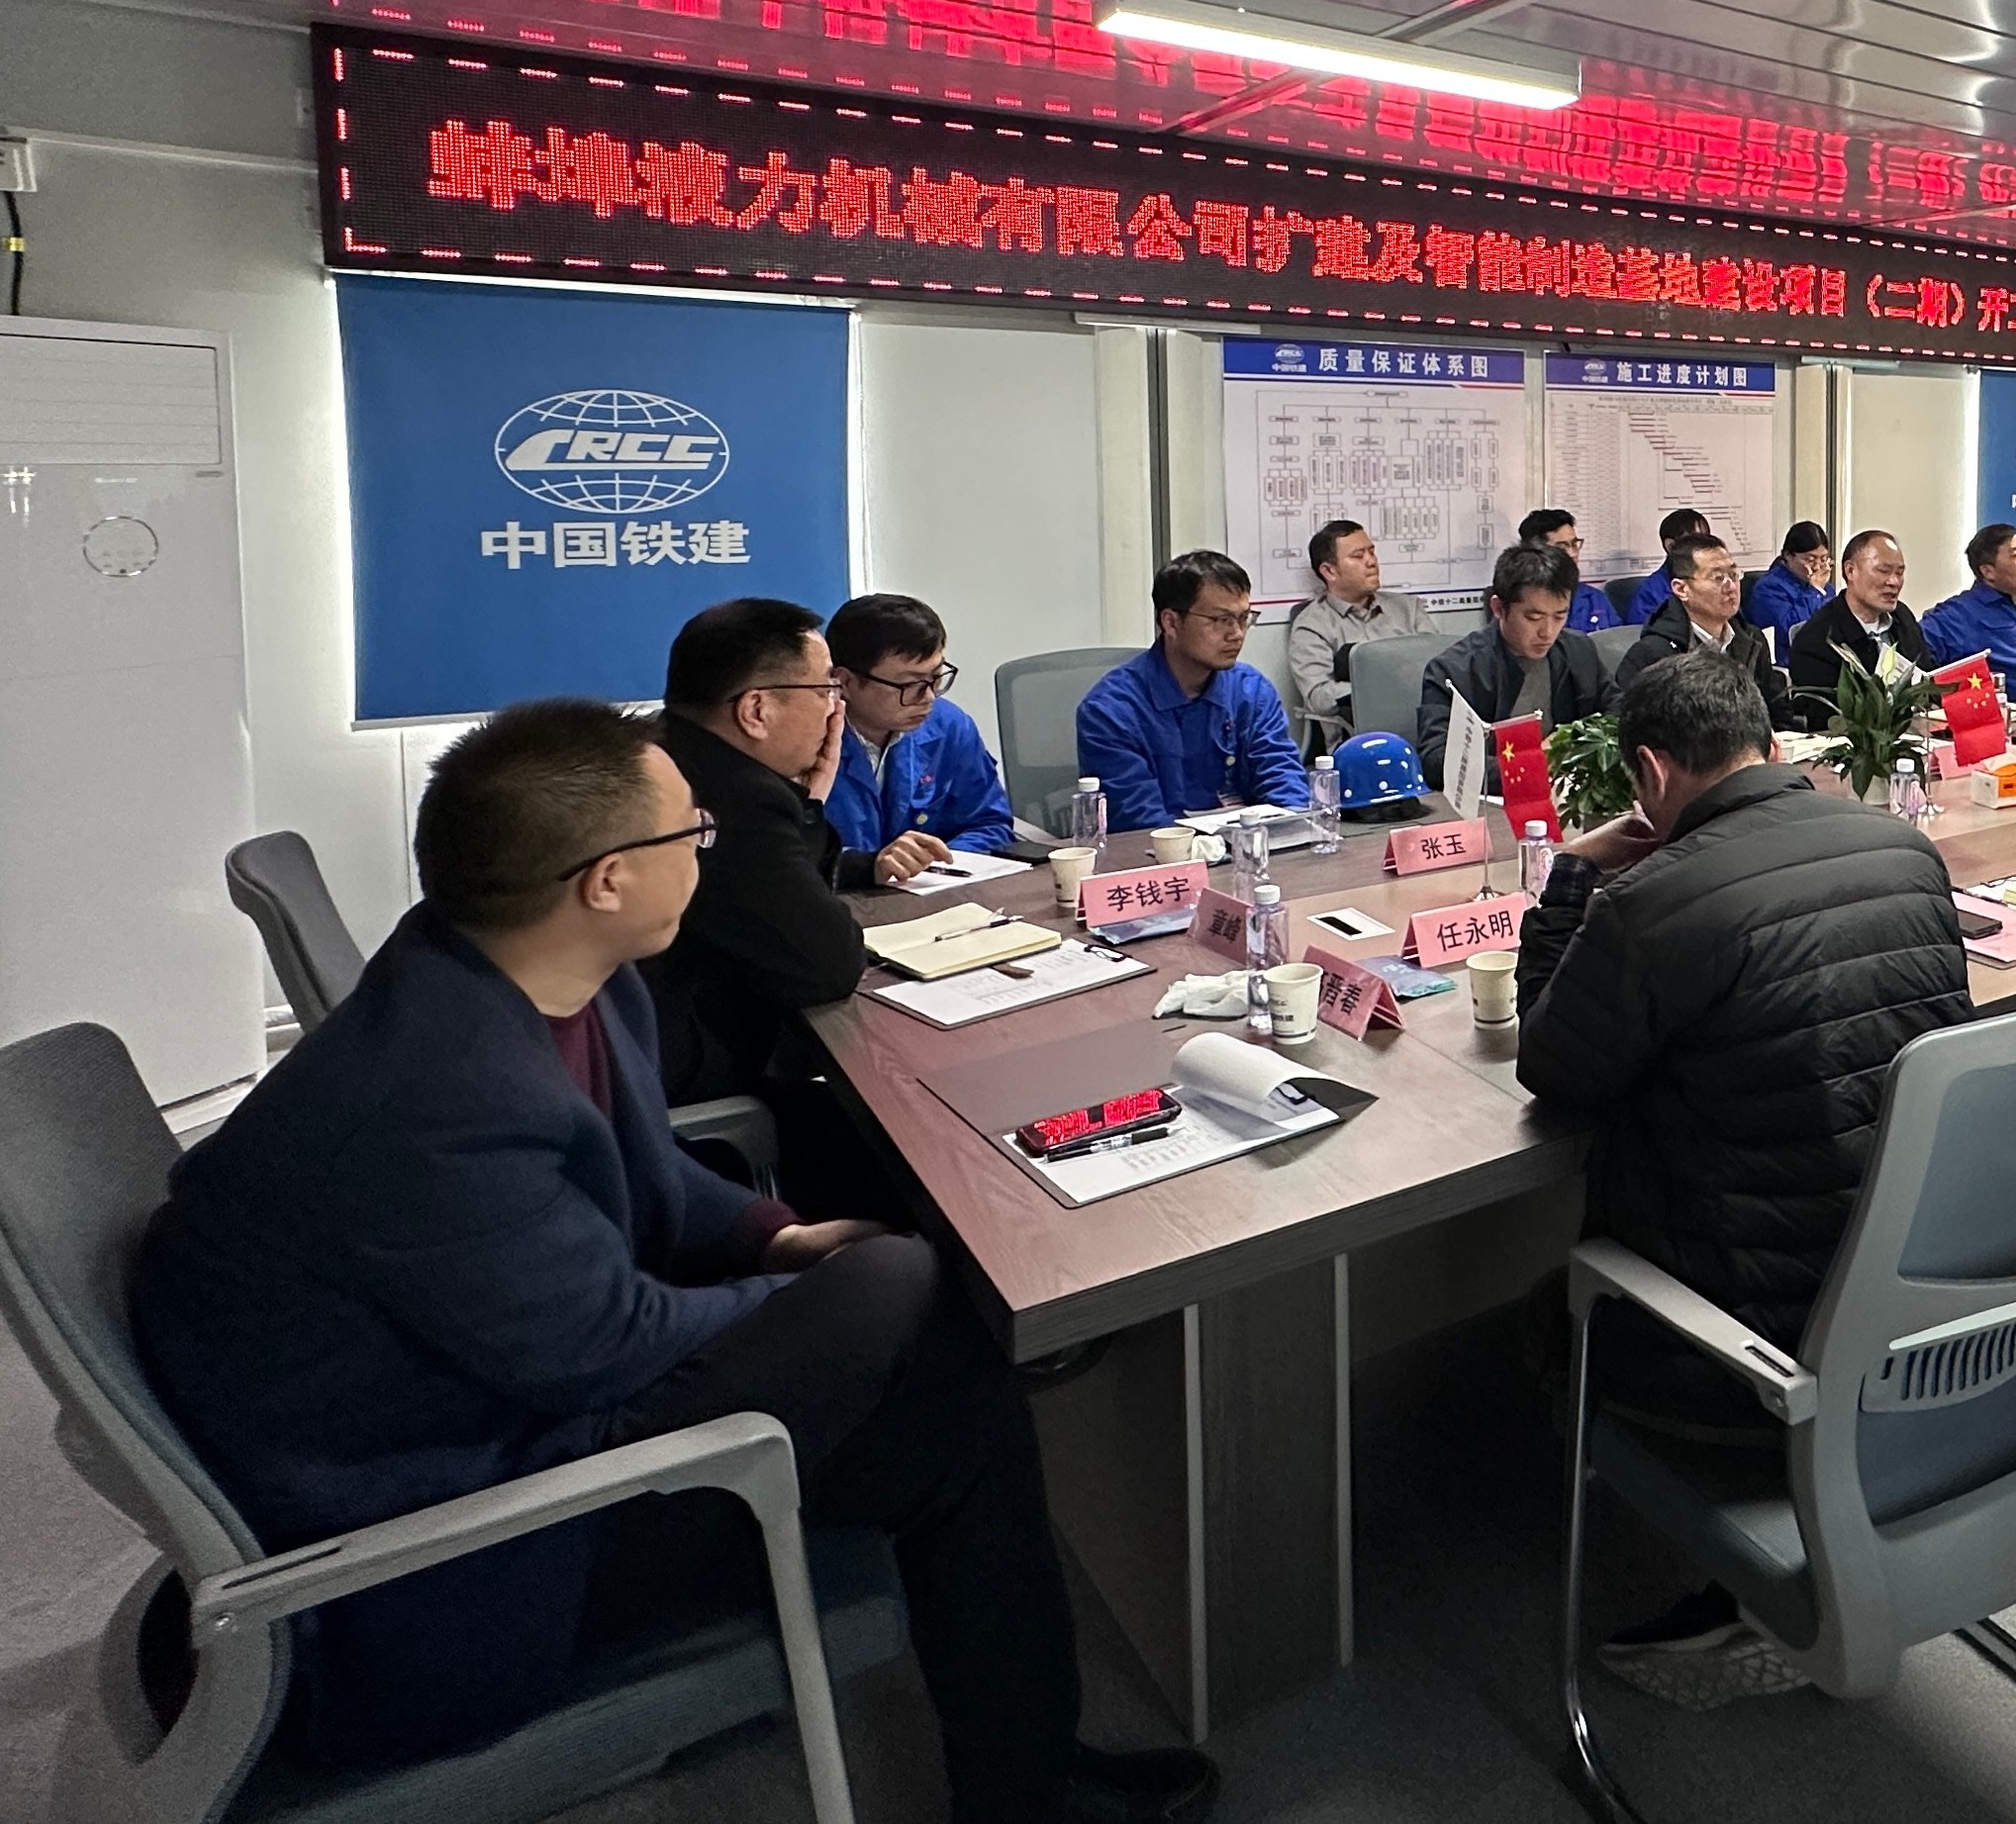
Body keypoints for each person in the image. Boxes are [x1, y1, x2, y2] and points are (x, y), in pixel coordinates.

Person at [130, 701, 1214, 1822]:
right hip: (453, 1539)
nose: (708, 847)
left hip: (501, 1399)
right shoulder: (434, 1095)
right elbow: (600, 1349)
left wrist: (772, 1236)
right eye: (692, 832)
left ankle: (1025, 1784)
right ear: (606, 880)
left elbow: (646, 1173)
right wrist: (817, 1296)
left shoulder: (543, 969)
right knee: (902, 1283)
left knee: (952, 1397)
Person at [1513, 655, 1971, 1699]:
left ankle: (1743, 1569)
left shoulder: (1652, 902)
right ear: (1766, 745)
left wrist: (1574, 878)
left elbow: (1554, 1066)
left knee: (1547, 1312)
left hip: (1751, 1351)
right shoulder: (1904, 848)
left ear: (1649, 772)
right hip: (1921, 1302)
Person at [645, 599, 916, 1114]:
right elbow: (827, 966)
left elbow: (756, 886)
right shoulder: (736, 798)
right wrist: (808, 807)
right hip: (694, 1085)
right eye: (825, 690)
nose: (835, 709)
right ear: (756, 711)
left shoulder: (667, 752)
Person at [1078, 550, 1312, 831]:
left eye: (1243, 618)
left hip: (1248, 845)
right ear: (1171, 622)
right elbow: (1137, 819)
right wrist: (1209, 847)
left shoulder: (1252, 691)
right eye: (1221, 620)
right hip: (1163, 852)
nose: (1237, 634)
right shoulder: (1110, 710)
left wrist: (1290, 827)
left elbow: (1283, 777)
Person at [825, 592, 1017, 857]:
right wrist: (867, 867)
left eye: (936, 678)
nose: (928, 697)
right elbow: (790, 855)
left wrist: (934, 862)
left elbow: (989, 824)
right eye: (910, 684)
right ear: (844, 682)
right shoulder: (803, 743)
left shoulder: (948, 726)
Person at [1416, 542, 1610, 782]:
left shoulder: (1578, 650)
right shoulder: (1454, 670)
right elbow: (1438, 759)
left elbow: (1618, 712)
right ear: (1498, 608)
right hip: (1497, 794)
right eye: (1533, 617)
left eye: (1559, 616)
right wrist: (1532, 766)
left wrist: (1575, 745)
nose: (1548, 632)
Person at [1612, 531, 1794, 730]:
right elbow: (1629, 726)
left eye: (1734, 575)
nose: (1731, 587)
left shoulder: (1750, 639)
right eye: (1718, 578)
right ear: (1681, 589)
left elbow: (1777, 712)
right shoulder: (1654, 653)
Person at [1286, 519, 1430, 749]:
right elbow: (1319, 696)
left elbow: (1438, 668)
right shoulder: (1312, 625)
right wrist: (1381, 690)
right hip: (1357, 744)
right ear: (1329, 571)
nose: (1371, 562)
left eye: (1371, 552)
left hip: (1423, 734)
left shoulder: (1408, 609)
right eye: (1358, 556)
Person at [1785, 528, 1933, 717]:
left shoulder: (1902, 618)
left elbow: (1927, 679)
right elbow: (1827, 719)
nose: (1894, 582)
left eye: (1900, 572)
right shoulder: (1817, 640)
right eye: (1883, 571)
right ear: (1850, 571)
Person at [1918, 522, 2016, 702]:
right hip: (2012, 710)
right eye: (2015, 555)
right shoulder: (1957, 615)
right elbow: (1911, 652)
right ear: (1988, 571)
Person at [1521, 506, 1618, 633]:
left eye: (1574, 544)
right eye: (1562, 547)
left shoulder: (1594, 598)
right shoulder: (1522, 601)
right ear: (1536, 551)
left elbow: (1618, 640)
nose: (1573, 553)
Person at [1740, 521, 1835, 651]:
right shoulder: (1768, 588)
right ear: (1788, 555)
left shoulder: (1825, 587)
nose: (1817, 567)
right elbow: (1792, 632)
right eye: (1810, 560)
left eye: (1823, 559)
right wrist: (1815, 592)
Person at [1622, 507, 1712, 626]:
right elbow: (1639, 634)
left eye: (1706, 540)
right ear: (1670, 546)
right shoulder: (1650, 592)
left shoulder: (1716, 582)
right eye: (1694, 541)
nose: (1703, 548)